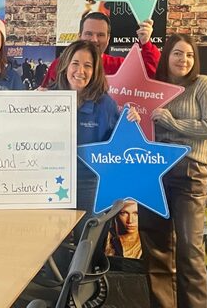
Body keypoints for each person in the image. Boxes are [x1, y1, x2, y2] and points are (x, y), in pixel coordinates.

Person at [139, 34, 207, 308]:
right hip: (154, 173)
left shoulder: (203, 84)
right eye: (177, 53)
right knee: (156, 248)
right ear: (167, 56)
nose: (183, 59)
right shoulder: (153, 87)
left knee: (190, 249)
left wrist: (172, 122)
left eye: (189, 54)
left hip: (190, 174)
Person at [48, 40, 140, 232]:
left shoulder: (105, 104)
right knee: (53, 240)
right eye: (75, 63)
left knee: (88, 239)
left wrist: (131, 124)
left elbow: (122, 146)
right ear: (65, 66)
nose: (80, 71)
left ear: (95, 70)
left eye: (88, 65)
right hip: (52, 180)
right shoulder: (47, 98)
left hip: (90, 183)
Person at [39, 12, 158, 88]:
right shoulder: (60, 65)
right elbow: (45, 96)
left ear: (108, 38)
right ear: (79, 36)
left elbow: (151, 75)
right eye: (89, 34)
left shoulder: (119, 66)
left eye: (100, 35)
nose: (94, 40)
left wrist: (146, 42)